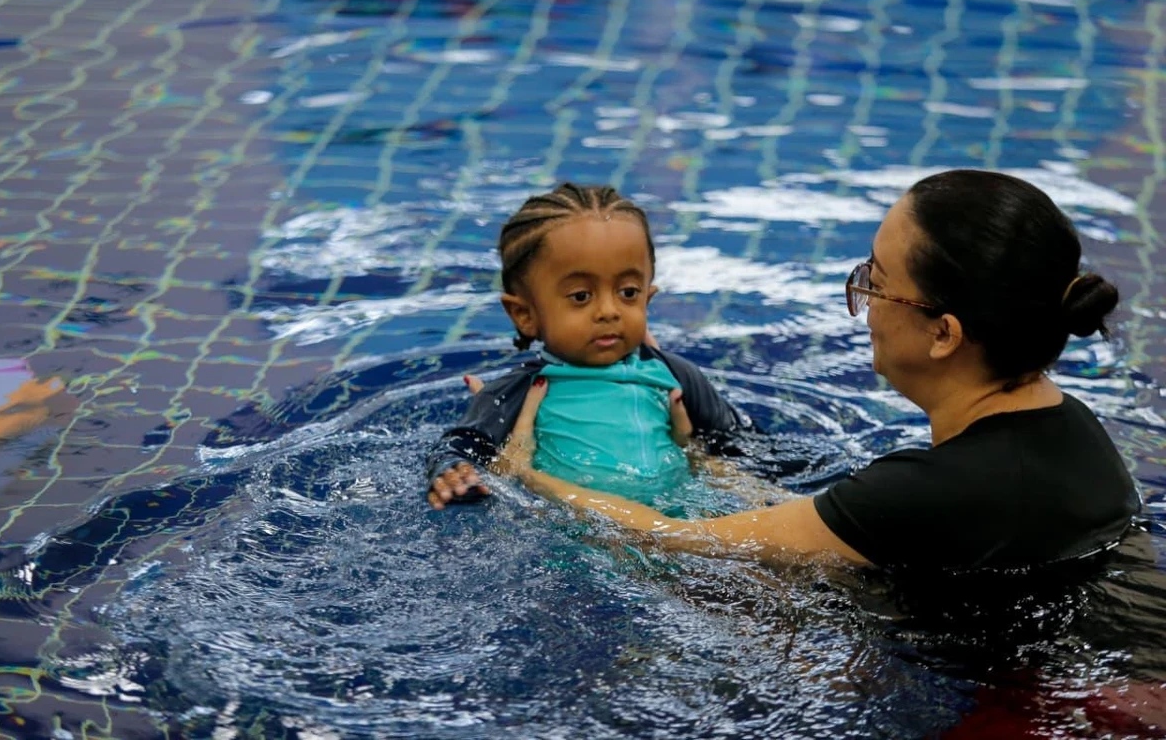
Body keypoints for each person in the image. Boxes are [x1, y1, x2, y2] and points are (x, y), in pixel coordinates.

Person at [487, 170, 1141, 571]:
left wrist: (525, 477)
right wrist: (704, 465)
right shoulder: (1075, 428)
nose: (862, 304)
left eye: (875, 283)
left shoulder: (925, 492)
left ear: (945, 334)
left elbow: (664, 537)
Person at [425, 183, 749, 510]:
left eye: (628, 293)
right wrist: (455, 473)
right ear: (525, 315)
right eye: (581, 296)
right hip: (578, 528)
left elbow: (744, 442)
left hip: (684, 519)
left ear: (648, 298)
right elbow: (462, 445)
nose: (609, 311)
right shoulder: (523, 391)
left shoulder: (674, 376)